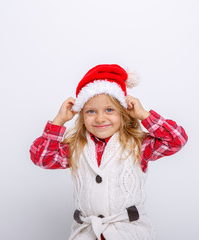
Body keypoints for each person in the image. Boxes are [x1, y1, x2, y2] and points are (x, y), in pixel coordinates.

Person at [29, 64, 188, 240]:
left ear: (124, 113)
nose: (100, 118)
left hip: (127, 233)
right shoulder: (75, 147)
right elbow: (41, 158)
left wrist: (143, 114)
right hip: (87, 233)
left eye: (109, 110)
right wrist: (59, 120)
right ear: (81, 116)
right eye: (90, 111)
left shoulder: (138, 144)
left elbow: (177, 140)